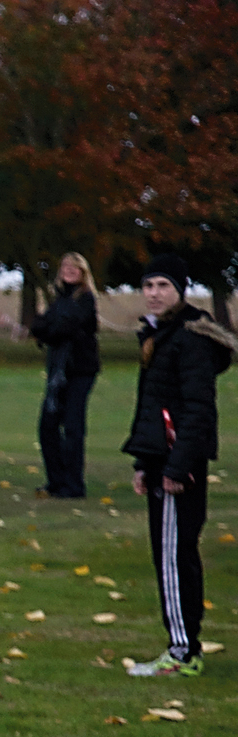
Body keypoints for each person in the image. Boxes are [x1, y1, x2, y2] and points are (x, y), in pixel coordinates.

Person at [122, 254, 233, 678]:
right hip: (160, 460)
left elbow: (197, 410)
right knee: (171, 553)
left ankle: (183, 651)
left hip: (178, 466)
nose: (154, 293)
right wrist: (143, 461)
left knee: (173, 557)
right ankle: (183, 646)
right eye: (148, 285)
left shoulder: (189, 339)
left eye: (163, 286)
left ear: (180, 290)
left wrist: (176, 467)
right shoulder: (159, 334)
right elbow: (153, 407)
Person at [33, 252, 101, 498]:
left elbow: (66, 327)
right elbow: (41, 326)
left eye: (74, 267)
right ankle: (56, 480)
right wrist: (47, 329)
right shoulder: (59, 300)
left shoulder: (86, 299)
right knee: (48, 426)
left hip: (80, 370)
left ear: (83, 272)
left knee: (72, 426)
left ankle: (74, 485)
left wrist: (49, 330)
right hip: (58, 372)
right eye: (65, 267)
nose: (69, 271)